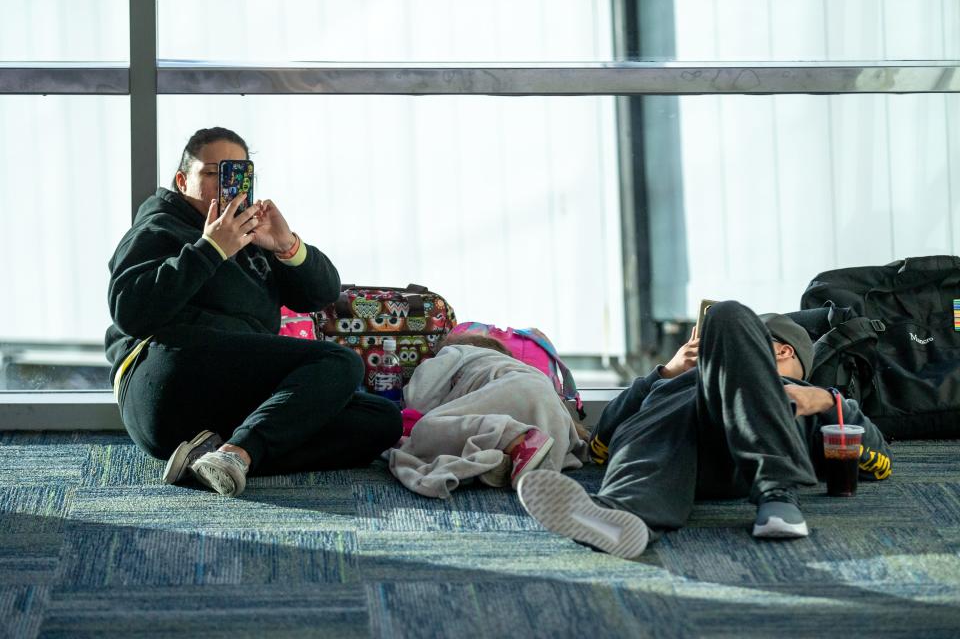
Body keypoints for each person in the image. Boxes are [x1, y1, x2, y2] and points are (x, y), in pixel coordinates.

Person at [106, 127, 402, 497]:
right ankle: (238, 451)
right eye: (214, 172)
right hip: (166, 376)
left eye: (239, 174)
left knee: (380, 421)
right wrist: (210, 248)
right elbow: (129, 311)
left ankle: (226, 454)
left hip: (229, 400)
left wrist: (286, 245)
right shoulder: (159, 225)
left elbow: (321, 294)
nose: (227, 184)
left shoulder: (252, 236)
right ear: (183, 180)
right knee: (340, 362)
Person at [516, 300, 892, 559]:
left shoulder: (810, 399)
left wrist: (829, 402)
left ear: (782, 351)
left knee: (726, 314)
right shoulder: (671, 385)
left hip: (743, 457)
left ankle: (777, 494)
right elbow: (602, 443)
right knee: (674, 398)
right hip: (672, 459)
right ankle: (623, 517)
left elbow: (880, 461)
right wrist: (665, 373)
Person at [388, 333, 590, 498]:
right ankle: (507, 460)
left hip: (514, 389)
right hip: (549, 407)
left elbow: (418, 399)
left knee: (424, 430)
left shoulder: (455, 352)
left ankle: (515, 439)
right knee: (481, 434)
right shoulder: (517, 366)